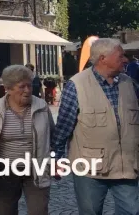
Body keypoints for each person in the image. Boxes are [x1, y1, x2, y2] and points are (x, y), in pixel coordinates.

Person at [52, 38, 139, 215]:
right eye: (120, 56)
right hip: (89, 168)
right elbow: (63, 127)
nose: (125, 60)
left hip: (126, 165)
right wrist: (57, 158)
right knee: (90, 212)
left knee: (132, 211)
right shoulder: (77, 85)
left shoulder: (129, 84)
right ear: (102, 58)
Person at [0, 65, 54, 215]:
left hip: (36, 168)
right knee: (5, 212)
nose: (27, 90)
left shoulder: (42, 107)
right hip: (5, 171)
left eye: (29, 85)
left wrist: (55, 160)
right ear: (8, 89)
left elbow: (53, 136)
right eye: (22, 87)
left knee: (39, 211)